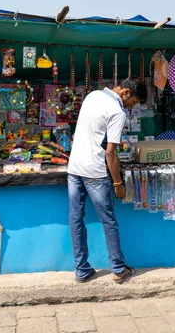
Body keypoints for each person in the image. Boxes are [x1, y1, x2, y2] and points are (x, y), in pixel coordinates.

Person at [67, 78, 147, 284]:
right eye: (134, 101)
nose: (132, 106)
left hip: (74, 167)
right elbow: (110, 153)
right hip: (95, 171)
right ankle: (119, 269)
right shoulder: (116, 111)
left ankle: (82, 270)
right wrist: (118, 183)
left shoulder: (92, 96)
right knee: (109, 221)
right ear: (126, 92)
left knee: (76, 219)